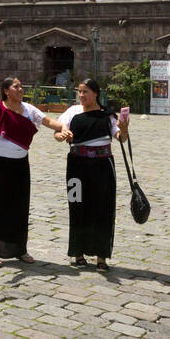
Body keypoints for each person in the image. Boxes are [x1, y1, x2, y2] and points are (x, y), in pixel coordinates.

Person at [0, 76, 65, 266]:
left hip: (21, 163)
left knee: (19, 206)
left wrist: (64, 128)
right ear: (6, 91)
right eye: (16, 86)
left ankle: (19, 249)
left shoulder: (29, 109)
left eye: (21, 86)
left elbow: (50, 122)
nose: (21, 89)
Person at [57, 78, 129, 270]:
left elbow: (120, 137)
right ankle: (77, 252)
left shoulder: (108, 116)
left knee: (102, 209)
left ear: (96, 93)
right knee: (76, 206)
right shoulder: (72, 112)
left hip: (103, 167)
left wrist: (124, 127)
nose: (81, 95)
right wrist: (62, 135)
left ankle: (101, 256)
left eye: (85, 92)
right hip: (75, 167)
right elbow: (57, 133)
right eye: (79, 92)